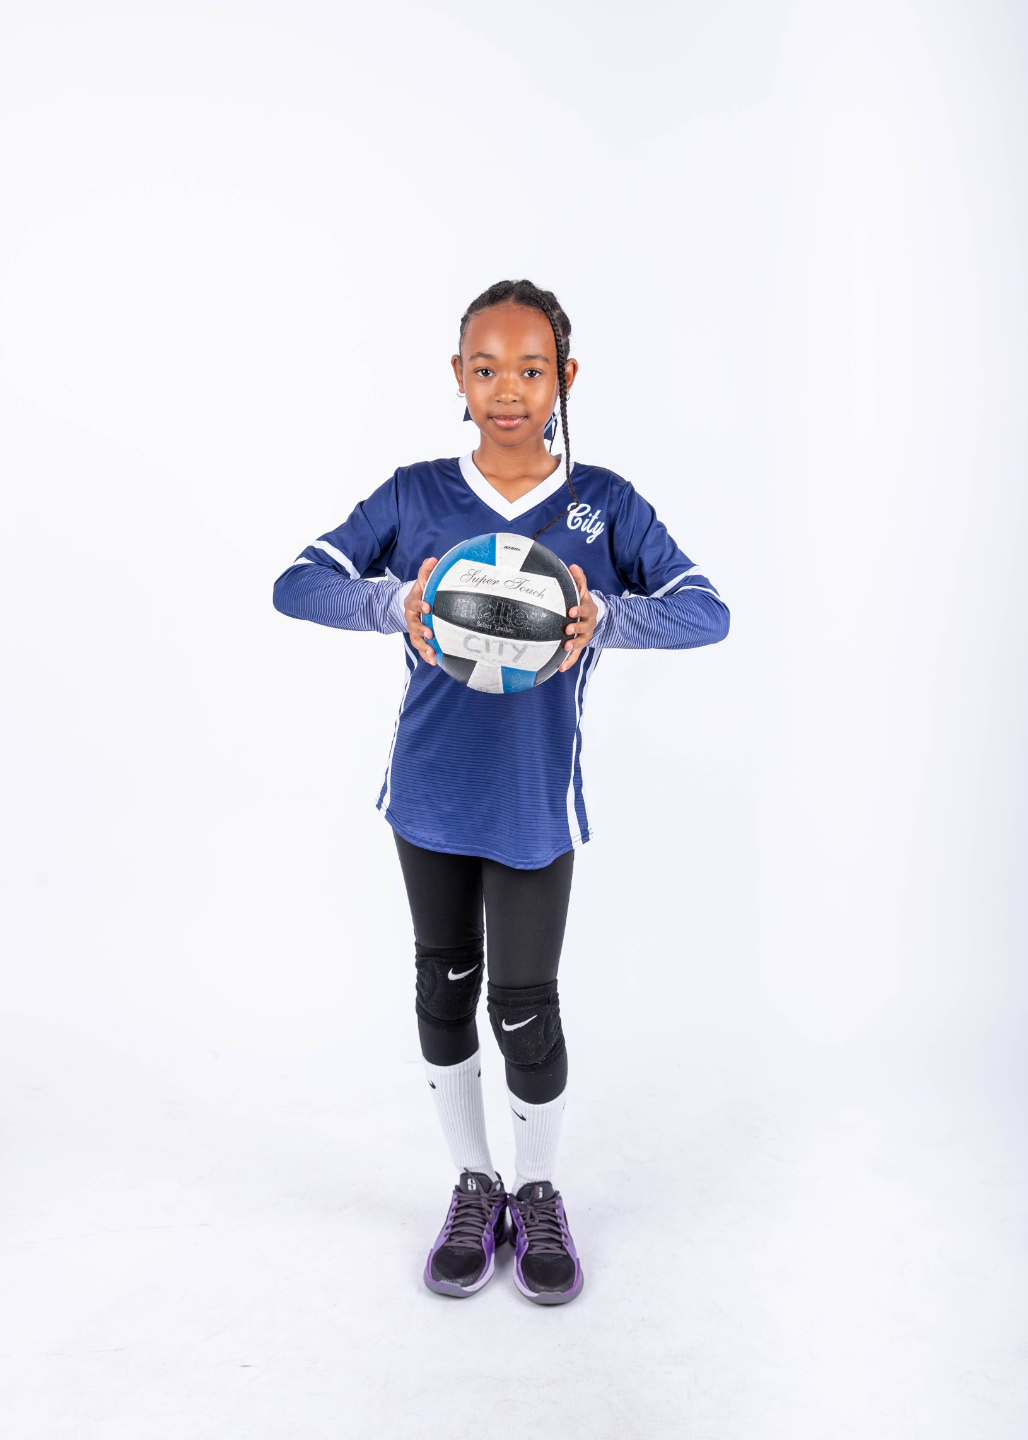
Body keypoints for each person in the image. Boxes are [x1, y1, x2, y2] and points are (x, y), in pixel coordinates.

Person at [273, 279, 729, 1305]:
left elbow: (707, 611)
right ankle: (473, 1183)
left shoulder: (603, 502)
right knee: (442, 989)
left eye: (530, 369)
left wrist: (604, 619)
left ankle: (537, 1189)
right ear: (458, 377)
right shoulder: (414, 495)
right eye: (485, 369)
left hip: (532, 802)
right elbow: (296, 583)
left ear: (565, 377)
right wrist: (395, 601)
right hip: (430, 793)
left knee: (524, 1010)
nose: (508, 390)